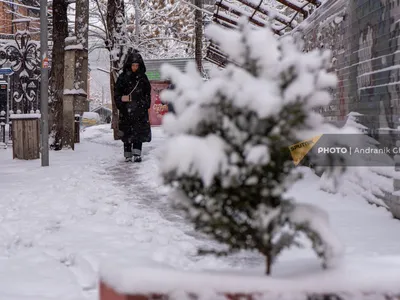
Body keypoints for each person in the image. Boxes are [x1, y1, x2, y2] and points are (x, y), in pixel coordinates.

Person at [114, 51, 152, 162]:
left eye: (137, 65)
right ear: (129, 65)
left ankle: (137, 154)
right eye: (133, 65)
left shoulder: (143, 78)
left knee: (138, 133)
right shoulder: (122, 78)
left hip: (139, 111)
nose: (135, 67)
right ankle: (127, 154)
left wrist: (144, 105)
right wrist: (121, 104)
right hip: (126, 111)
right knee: (127, 133)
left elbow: (147, 93)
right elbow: (117, 93)